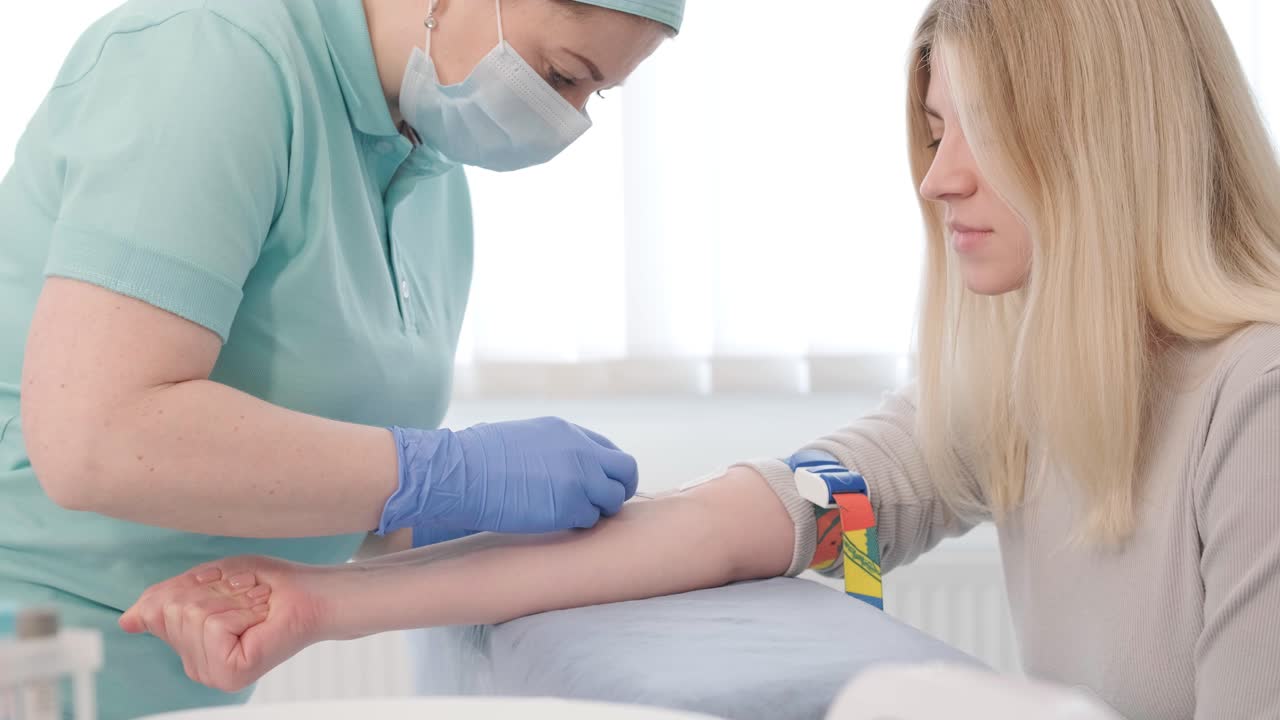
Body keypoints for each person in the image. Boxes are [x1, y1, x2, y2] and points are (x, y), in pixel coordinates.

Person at [121, 0, 1280, 717]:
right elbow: (736, 522)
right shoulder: (1009, 398)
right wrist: (324, 600)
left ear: (1108, 139)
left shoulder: (1253, 407)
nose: (937, 180)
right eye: (934, 131)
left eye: (983, 129)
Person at [0, 0, 680, 716]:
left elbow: (313, 471)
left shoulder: (427, 170)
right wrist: (445, 472)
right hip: (33, 657)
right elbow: (95, 440)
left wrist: (463, 517)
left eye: (595, 93)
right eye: (563, 73)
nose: (570, 118)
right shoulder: (211, 59)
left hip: (187, 677)